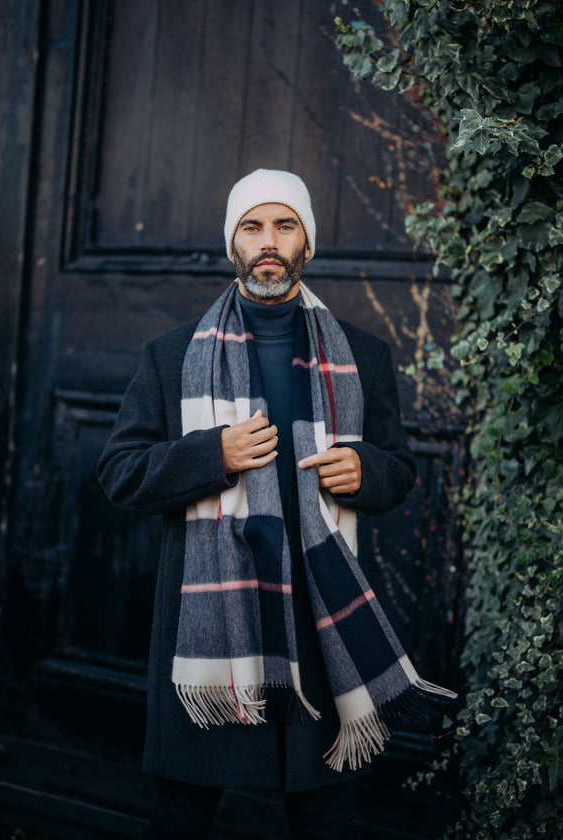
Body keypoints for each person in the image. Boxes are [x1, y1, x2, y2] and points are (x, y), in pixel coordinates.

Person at [97, 169, 456, 839]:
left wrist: (366, 471)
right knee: (182, 819)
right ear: (232, 242)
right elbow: (120, 474)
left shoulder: (363, 357)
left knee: (324, 819)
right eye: (252, 226)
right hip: (211, 628)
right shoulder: (171, 357)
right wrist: (213, 455)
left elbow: (399, 471)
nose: (269, 241)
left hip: (321, 626)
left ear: (306, 243)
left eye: (284, 225)